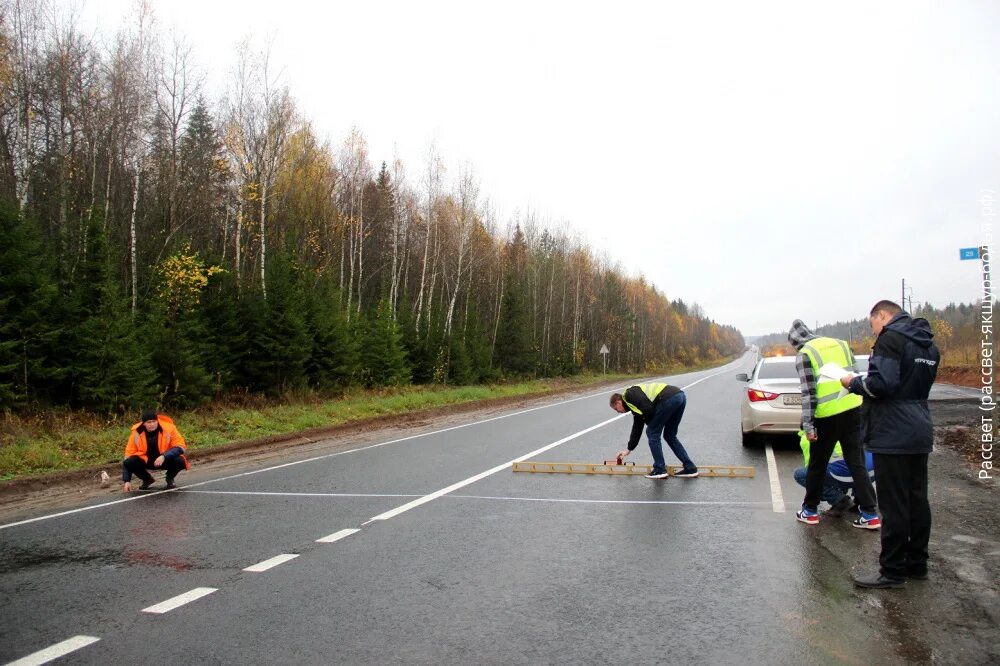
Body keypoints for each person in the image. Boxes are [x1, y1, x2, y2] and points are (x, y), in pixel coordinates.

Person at [841, 300, 939, 589]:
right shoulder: (928, 344)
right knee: (917, 499)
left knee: (894, 504)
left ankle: (892, 571)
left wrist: (851, 382)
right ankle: (917, 564)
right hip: (919, 426)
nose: (873, 331)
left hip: (892, 432)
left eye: (873, 323)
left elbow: (880, 385)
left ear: (882, 315)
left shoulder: (891, 339)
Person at [787, 320, 880, 528]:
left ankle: (809, 511)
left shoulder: (805, 353)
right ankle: (870, 514)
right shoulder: (840, 344)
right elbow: (855, 376)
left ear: (796, 342)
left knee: (817, 466)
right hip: (852, 408)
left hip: (826, 415)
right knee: (856, 463)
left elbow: (808, 393)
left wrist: (809, 424)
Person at [610, 383, 698, 479]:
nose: (618, 412)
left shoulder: (629, 394)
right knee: (669, 435)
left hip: (668, 398)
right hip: (679, 396)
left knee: (652, 432)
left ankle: (659, 469)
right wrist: (629, 449)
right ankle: (690, 468)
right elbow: (637, 427)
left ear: (618, 403)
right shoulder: (634, 406)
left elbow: (648, 409)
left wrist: (653, 426)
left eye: (616, 409)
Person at [792, 431, 876, 516]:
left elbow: (813, 472)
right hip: (871, 472)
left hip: (847, 474)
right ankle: (861, 500)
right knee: (852, 464)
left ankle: (840, 500)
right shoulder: (847, 425)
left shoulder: (808, 438)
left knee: (801, 474)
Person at [122, 410, 189, 491]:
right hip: (146, 461)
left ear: (157, 421)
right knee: (129, 462)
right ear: (144, 424)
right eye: (149, 422)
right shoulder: (136, 433)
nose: (152, 424)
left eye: (154, 421)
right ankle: (147, 479)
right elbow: (128, 455)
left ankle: (170, 478)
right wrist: (127, 481)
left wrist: (164, 456)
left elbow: (180, 446)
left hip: (164, 459)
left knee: (180, 461)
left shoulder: (169, 428)